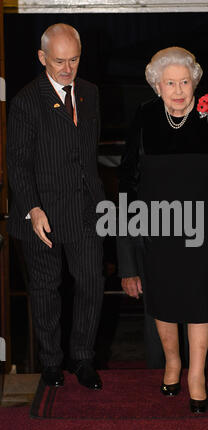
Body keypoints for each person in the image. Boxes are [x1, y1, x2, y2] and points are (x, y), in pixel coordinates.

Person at [117, 47, 208, 413]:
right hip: (156, 226)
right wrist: (126, 247)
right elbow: (127, 181)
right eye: (170, 82)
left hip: (202, 229)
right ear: (157, 86)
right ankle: (172, 362)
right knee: (163, 299)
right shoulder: (144, 116)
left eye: (184, 81)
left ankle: (195, 375)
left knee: (197, 301)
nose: (178, 90)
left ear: (195, 83)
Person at [6, 23, 105, 390]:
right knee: (47, 288)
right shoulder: (26, 100)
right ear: (42, 57)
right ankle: (51, 362)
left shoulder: (91, 93)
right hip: (42, 212)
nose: (67, 69)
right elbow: (16, 161)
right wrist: (33, 208)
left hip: (85, 210)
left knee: (92, 283)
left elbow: (87, 155)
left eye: (74, 60)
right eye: (60, 61)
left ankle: (82, 358)